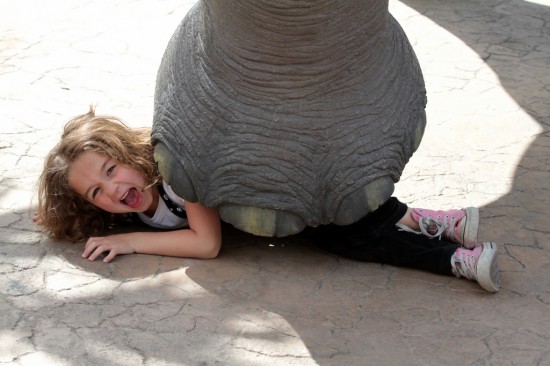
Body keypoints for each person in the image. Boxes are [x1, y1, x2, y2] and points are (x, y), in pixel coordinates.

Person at [34, 108, 499, 292]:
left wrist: (133, 242)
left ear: (126, 152)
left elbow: (206, 243)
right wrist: (66, 219)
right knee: (359, 223)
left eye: (112, 170)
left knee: (353, 236)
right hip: (280, 205)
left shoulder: (175, 170)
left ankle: (452, 258)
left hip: (287, 189)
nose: (113, 189)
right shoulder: (130, 208)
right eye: (96, 192)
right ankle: (442, 224)